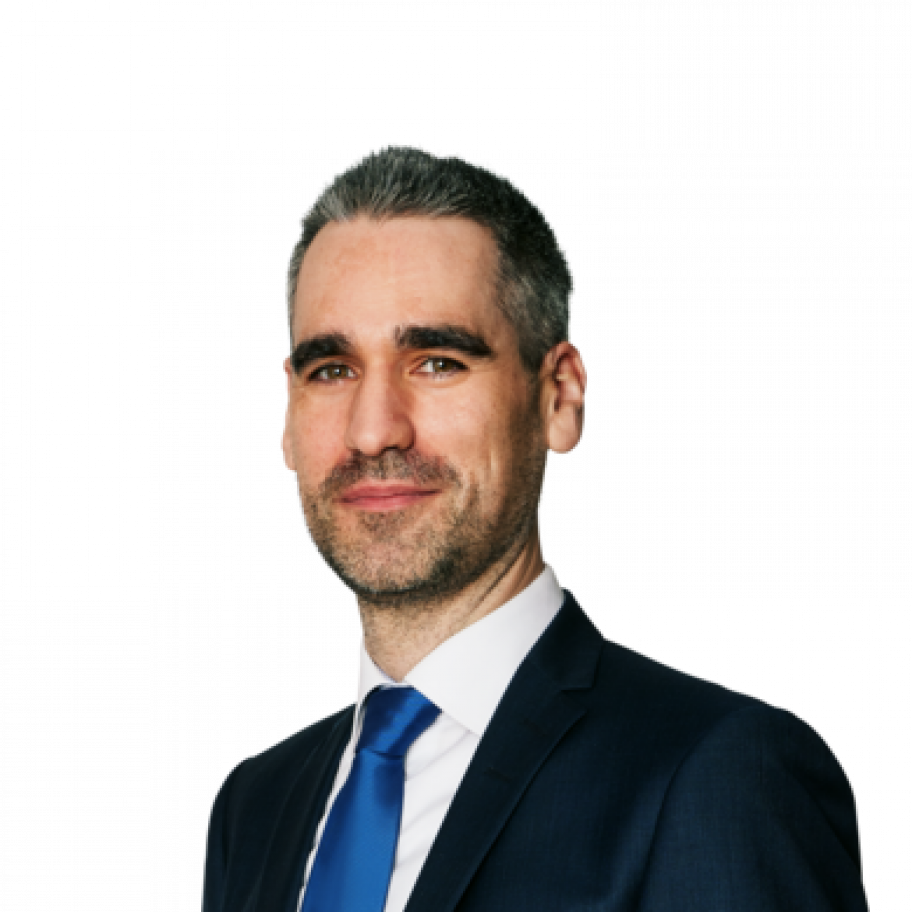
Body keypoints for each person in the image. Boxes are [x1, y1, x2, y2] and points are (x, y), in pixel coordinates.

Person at [202, 144, 867, 912]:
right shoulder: (254, 806)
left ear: (559, 397)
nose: (373, 430)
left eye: (438, 362)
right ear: (287, 417)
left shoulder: (717, 775)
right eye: (332, 370)